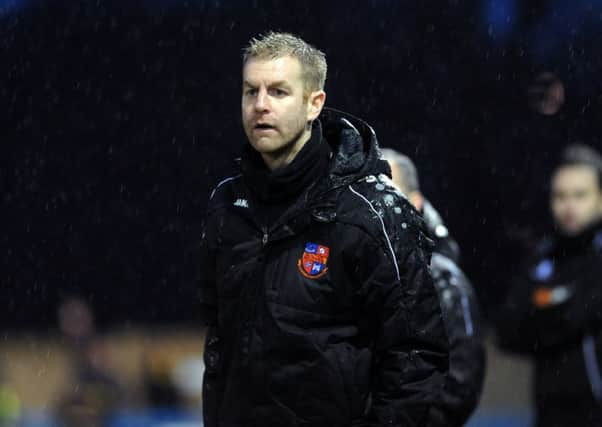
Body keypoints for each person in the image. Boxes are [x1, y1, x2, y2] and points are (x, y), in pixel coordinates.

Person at [199, 32, 450, 427]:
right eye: (251, 92)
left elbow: (416, 355)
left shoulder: (371, 212)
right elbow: (219, 339)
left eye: (278, 92)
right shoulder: (227, 205)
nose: (260, 105)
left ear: (314, 103)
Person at [497, 144, 602, 427]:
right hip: (550, 415)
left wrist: (545, 313)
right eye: (560, 196)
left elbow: (577, 314)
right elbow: (508, 331)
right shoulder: (542, 257)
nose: (568, 206)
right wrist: (566, 312)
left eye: (580, 195)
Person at [382, 148, 485, 426]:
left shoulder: (442, 279)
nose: (374, 205)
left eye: (386, 192)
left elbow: (459, 386)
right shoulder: (348, 269)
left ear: (415, 203)